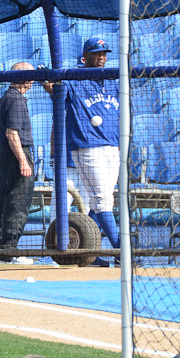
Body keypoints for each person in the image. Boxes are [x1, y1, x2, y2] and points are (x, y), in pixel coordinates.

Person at [64, 37, 121, 266]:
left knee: (104, 202)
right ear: (85, 56)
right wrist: (47, 80)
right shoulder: (75, 78)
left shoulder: (113, 79)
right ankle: (121, 251)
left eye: (104, 53)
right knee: (101, 199)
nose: (101, 57)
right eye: (96, 53)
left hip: (112, 147)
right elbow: (53, 88)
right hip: (87, 147)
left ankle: (87, 252)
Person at [0, 62, 56, 265]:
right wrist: (23, 160)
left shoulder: (7, 97)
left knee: (5, 199)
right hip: (15, 153)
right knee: (18, 201)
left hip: (5, 153)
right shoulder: (16, 100)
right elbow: (12, 133)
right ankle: (9, 250)